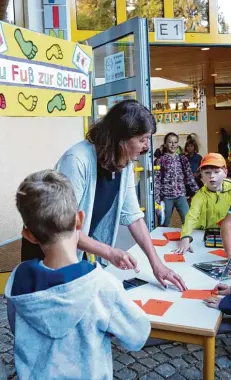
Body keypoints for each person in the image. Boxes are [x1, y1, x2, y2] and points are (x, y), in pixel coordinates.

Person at [21, 100, 186, 291]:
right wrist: (109, 252)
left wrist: (157, 264)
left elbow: (134, 217)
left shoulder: (124, 163)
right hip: (46, 248)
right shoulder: (76, 161)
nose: (146, 147)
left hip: (72, 249)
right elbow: (61, 228)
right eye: (142, 140)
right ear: (121, 138)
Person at [5, 170, 151, 380]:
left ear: (29, 235)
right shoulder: (102, 285)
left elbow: (16, 326)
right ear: (80, 220)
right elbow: (137, 335)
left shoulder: (18, 279)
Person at [176, 153, 231, 253]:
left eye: (216, 172)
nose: (212, 176)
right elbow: (191, 216)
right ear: (201, 175)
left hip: (229, 234)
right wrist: (185, 236)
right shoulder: (200, 196)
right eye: (207, 172)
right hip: (204, 234)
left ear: (225, 173)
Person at [154, 132, 199, 227]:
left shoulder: (183, 159)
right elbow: (157, 181)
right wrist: (157, 200)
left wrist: (197, 191)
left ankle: (186, 240)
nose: (173, 145)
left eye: (175, 142)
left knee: (188, 222)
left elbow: (190, 176)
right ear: (165, 144)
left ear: (178, 144)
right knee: (164, 224)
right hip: (166, 196)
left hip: (181, 195)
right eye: (170, 142)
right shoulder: (160, 160)